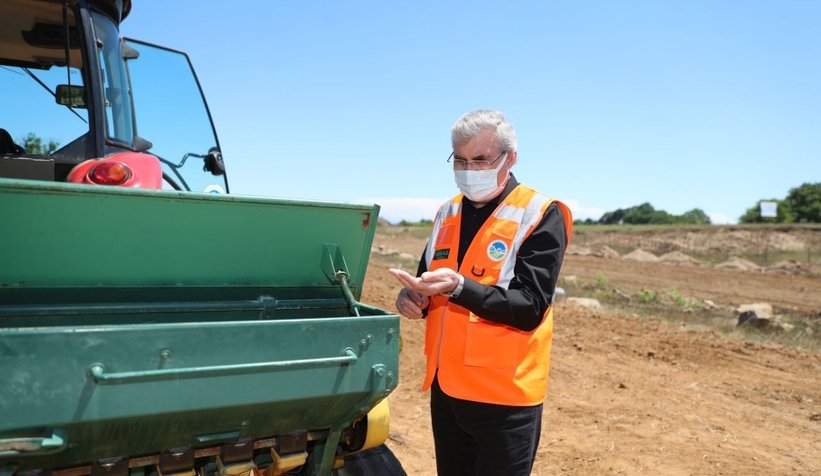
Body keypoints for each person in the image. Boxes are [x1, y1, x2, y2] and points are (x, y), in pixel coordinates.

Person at [388, 109, 573, 476]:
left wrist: (459, 286)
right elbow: (428, 281)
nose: (469, 170)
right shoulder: (447, 212)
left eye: (481, 160)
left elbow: (529, 307)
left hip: (504, 398)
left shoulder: (539, 213)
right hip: (448, 391)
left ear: (510, 158)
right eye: (460, 160)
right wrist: (414, 300)